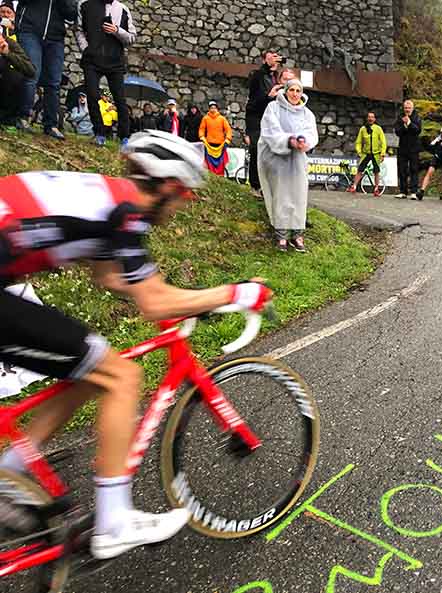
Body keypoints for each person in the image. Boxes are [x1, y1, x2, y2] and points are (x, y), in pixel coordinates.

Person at [0, 130, 274, 559]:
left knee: (92, 368)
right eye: (186, 192)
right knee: (124, 375)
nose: (189, 202)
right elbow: (153, 302)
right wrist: (236, 293)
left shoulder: (105, 197)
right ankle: (113, 523)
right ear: (166, 186)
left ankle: (10, 479)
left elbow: (111, 276)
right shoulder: (127, 212)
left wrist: (189, 300)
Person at [257, 78, 318, 253]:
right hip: (277, 158)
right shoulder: (273, 108)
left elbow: (311, 133)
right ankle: (282, 234)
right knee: (281, 194)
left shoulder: (306, 113)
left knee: (299, 194)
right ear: (286, 91)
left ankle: (298, 234)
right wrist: (288, 141)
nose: (295, 94)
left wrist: (303, 141)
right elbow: (271, 131)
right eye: (292, 90)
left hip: (297, 159)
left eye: (298, 91)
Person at [76, 0, 136, 147]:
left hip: (115, 61)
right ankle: (99, 133)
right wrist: (85, 49)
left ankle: (124, 137)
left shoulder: (123, 9)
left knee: (120, 99)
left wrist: (117, 30)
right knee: (92, 95)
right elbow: (78, 30)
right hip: (92, 60)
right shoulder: (85, 5)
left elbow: (132, 38)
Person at [14, 0, 76, 138]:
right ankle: (22, 117)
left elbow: (72, 14)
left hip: (55, 38)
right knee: (31, 73)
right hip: (29, 31)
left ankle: (51, 125)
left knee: (54, 82)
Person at [245, 50, 282, 197]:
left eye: (276, 57)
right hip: (256, 117)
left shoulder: (275, 78)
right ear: (264, 60)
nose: (275, 59)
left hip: (271, 117)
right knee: (256, 149)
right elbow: (255, 100)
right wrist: (269, 96)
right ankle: (255, 186)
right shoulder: (258, 75)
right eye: (271, 57)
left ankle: (268, 184)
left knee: (271, 150)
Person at [0, 31, 35, 126]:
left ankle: (8, 118)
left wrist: (7, 53)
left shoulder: (9, 43)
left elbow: (30, 70)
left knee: (15, 76)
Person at [349, 111, 386, 196]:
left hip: (376, 153)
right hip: (366, 153)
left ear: (375, 119)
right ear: (367, 118)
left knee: (376, 171)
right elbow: (358, 142)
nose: (370, 119)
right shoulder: (363, 129)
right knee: (360, 170)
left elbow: (383, 141)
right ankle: (354, 186)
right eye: (369, 117)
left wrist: (382, 153)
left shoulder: (378, 128)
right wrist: (359, 152)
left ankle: (376, 188)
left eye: (372, 117)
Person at [415, 126, 442, 202]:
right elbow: (431, 146)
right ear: (441, 134)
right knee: (429, 172)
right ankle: (421, 191)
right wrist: (437, 145)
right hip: (437, 158)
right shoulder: (438, 139)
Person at [394, 99, 422, 200]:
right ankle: (403, 191)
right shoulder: (400, 117)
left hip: (414, 148)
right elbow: (397, 131)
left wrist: (409, 123)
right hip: (403, 147)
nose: (407, 110)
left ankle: (414, 191)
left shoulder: (417, 117)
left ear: (412, 108)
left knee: (414, 169)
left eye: (409, 108)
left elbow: (417, 130)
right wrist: (404, 126)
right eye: (406, 108)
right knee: (402, 169)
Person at [198, 100, 232, 176]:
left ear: (217, 109)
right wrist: (202, 137)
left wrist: (227, 139)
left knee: (220, 163)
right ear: (209, 109)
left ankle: (220, 176)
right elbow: (201, 129)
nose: (213, 109)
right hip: (209, 144)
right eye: (211, 108)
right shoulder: (205, 118)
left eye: (214, 108)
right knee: (209, 162)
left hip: (220, 144)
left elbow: (228, 130)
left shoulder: (222, 119)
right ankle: (211, 176)